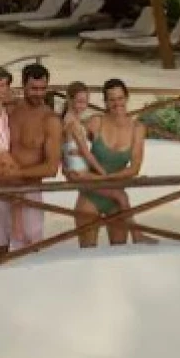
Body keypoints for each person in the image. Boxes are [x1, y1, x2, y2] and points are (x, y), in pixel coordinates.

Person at [0, 62, 61, 251]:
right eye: (33, 88)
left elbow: (51, 168)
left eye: (43, 89)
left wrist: (17, 173)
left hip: (29, 191)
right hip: (0, 187)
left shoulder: (50, 121)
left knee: (29, 250)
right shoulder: (9, 110)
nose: (39, 94)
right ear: (23, 86)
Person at [86, 78, 150, 245]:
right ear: (106, 102)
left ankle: (138, 236)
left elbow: (135, 167)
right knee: (86, 254)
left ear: (127, 98)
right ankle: (138, 235)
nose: (117, 103)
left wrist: (105, 178)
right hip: (91, 194)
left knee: (118, 253)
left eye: (120, 98)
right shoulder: (96, 121)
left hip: (116, 198)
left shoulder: (137, 128)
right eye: (112, 99)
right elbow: (73, 142)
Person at [59, 82, 103, 248]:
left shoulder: (69, 120)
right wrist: (102, 172)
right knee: (117, 193)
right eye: (79, 101)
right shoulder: (73, 123)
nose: (82, 106)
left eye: (85, 102)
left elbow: (64, 149)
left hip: (76, 168)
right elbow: (86, 153)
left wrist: (65, 165)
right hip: (80, 170)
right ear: (69, 100)